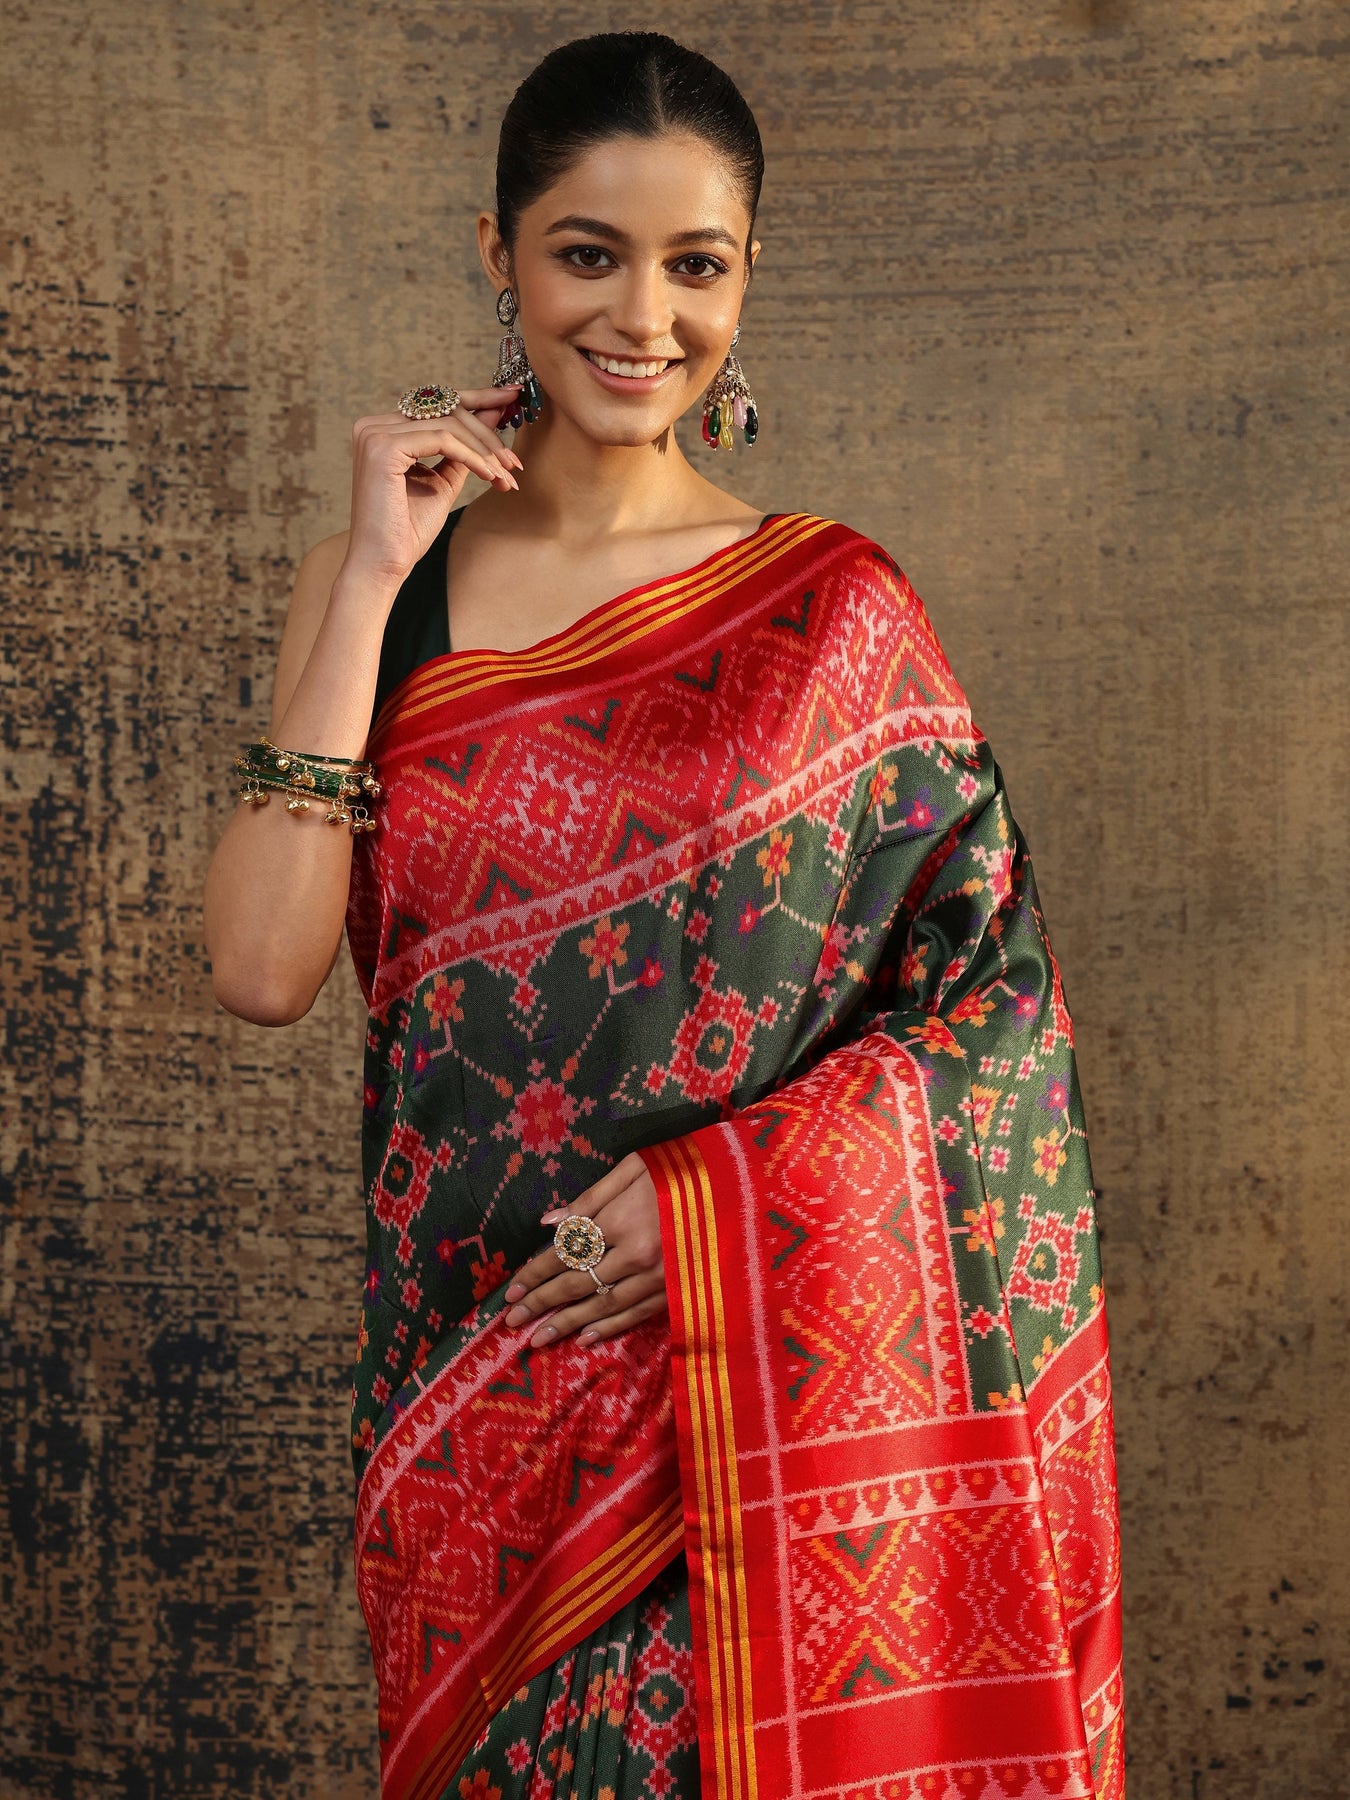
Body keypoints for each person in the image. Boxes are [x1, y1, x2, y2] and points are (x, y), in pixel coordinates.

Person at [203, 30, 1124, 1800]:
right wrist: (376, 574)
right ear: (498, 255)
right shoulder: (380, 588)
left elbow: (992, 1023)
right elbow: (257, 968)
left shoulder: (833, 610)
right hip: (480, 1386)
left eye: (693, 264)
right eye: (587, 253)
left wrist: (718, 1201)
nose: (642, 318)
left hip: (754, 1383)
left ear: (745, 273)